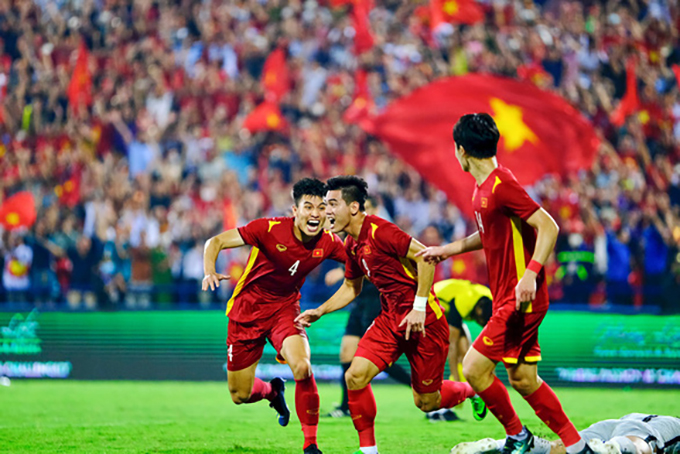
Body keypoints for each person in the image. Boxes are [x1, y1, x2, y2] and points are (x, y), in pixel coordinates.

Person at [418, 114, 593, 454]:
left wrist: (530, 272)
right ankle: (576, 445)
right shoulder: (485, 190)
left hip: (519, 298)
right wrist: (446, 251)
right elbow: (488, 235)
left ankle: (519, 437)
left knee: (472, 367)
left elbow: (549, 226)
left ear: (461, 150)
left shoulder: (502, 185)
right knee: (524, 379)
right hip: (507, 297)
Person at [296, 175, 486, 454]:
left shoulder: (381, 231)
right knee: (355, 376)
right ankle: (368, 451)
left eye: (332, 204)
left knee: (426, 402)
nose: (326, 211)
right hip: (390, 319)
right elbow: (351, 287)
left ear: (352, 207)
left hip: (425, 322)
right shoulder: (351, 244)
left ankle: (470, 391)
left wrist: (419, 308)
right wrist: (320, 311)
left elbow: (425, 257)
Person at [202, 178, 347, 454]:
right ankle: (272, 392)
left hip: (285, 309)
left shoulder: (329, 242)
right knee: (240, 394)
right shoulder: (268, 229)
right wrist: (209, 270)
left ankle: (311, 444)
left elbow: (359, 259)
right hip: (247, 311)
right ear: (295, 211)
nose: (314, 213)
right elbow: (216, 241)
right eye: (308, 206)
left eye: (320, 207)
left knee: (303, 366)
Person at [323, 195, 412, 419]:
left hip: (377, 300)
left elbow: (384, 272)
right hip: (360, 301)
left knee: (376, 358)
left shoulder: (382, 233)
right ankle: (346, 406)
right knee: (346, 352)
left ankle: (419, 388)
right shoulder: (352, 238)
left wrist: (343, 273)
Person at [427, 278, 493, 422]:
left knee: (465, 354)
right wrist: (456, 377)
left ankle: (464, 394)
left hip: (448, 304)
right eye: (481, 320)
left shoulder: (487, 297)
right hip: (431, 307)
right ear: (479, 310)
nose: (481, 323)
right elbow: (452, 347)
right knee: (447, 354)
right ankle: (440, 408)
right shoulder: (463, 303)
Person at [450, 413, 680, 454]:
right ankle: (618, 448)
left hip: (617, 421)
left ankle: (502, 445)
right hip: (647, 429)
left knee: (561, 448)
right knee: (644, 447)